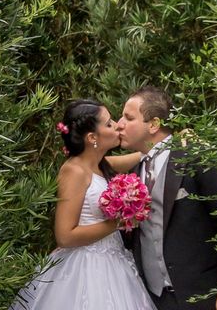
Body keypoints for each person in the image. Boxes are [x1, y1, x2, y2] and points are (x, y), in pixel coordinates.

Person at [9, 99, 156, 310]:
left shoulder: (101, 164)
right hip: (85, 266)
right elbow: (65, 236)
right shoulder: (74, 171)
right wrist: (120, 221)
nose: (117, 125)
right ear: (92, 137)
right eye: (108, 123)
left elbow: (142, 154)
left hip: (115, 261)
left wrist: (170, 141)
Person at [118, 86, 217, 310]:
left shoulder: (199, 156)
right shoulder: (133, 173)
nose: (119, 123)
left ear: (153, 124)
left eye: (128, 117)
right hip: (156, 296)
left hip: (206, 293)